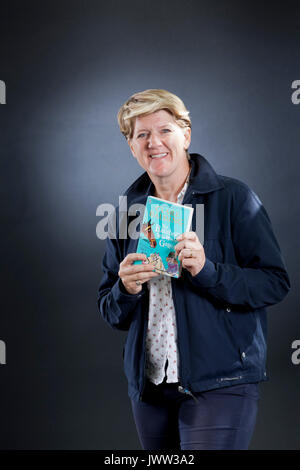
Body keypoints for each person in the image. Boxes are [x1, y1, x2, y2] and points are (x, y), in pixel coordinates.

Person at [97, 89, 290, 450]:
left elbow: (275, 283)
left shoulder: (234, 198)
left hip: (221, 382)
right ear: (131, 146)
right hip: (151, 388)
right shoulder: (125, 213)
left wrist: (208, 270)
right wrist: (126, 289)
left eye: (165, 130)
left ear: (186, 134)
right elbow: (110, 310)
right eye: (142, 135)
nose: (154, 143)